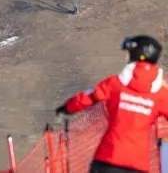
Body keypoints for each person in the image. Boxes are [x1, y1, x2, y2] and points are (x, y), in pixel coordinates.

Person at [56, 36, 168, 173]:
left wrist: (66, 108)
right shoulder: (161, 93)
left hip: (108, 159)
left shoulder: (116, 83)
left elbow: (88, 96)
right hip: (138, 165)